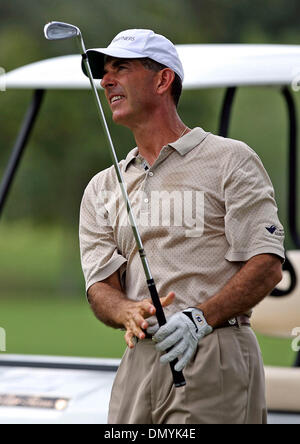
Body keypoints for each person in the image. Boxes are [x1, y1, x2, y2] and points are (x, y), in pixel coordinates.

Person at [79, 29, 285, 424]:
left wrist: (200, 319)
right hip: (140, 359)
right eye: (104, 72)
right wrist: (126, 311)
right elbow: (100, 287)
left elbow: (266, 264)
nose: (106, 81)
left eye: (120, 68)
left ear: (163, 79)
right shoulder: (102, 186)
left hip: (215, 350)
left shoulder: (231, 160)